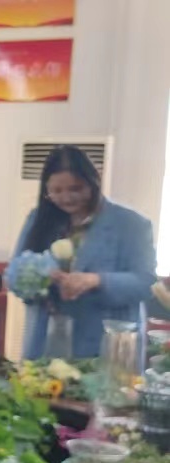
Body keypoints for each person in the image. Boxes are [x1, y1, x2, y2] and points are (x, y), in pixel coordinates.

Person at [14, 145, 155, 359]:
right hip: (45, 342)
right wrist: (38, 278)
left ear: (93, 181)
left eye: (76, 188)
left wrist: (96, 280)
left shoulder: (131, 224)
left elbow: (145, 283)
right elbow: (15, 274)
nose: (66, 197)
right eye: (56, 191)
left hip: (105, 345)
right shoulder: (39, 218)